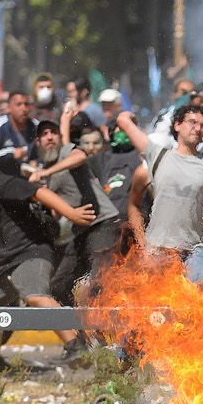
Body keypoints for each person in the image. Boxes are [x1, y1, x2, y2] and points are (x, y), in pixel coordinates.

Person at [0, 153, 96, 367]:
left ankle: (79, 346)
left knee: (35, 296)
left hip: (29, 252)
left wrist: (72, 214)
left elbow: (37, 191)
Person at [114, 105, 203, 283]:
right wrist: (142, 242)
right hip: (157, 250)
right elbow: (122, 119)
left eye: (202, 125)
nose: (198, 128)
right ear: (177, 125)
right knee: (156, 308)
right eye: (192, 122)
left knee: (195, 307)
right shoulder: (158, 156)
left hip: (195, 253)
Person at [28, 116, 121, 311]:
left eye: (53, 132)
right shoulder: (44, 171)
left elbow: (81, 157)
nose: (50, 137)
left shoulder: (67, 151)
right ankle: (79, 338)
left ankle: (111, 337)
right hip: (80, 231)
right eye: (44, 134)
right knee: (59, 287)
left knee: (101, 280)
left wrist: (46, 174)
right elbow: (56, 213)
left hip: (103, 223)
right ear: (38, 142)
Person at [0, 91, 37, 168]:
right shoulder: (0, 126)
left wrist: (36, 161)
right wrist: (11, 153)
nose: (24, 109)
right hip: (4, 174)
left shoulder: (35, 125)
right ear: (9, 108)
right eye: (19, 104)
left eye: (26, 104)